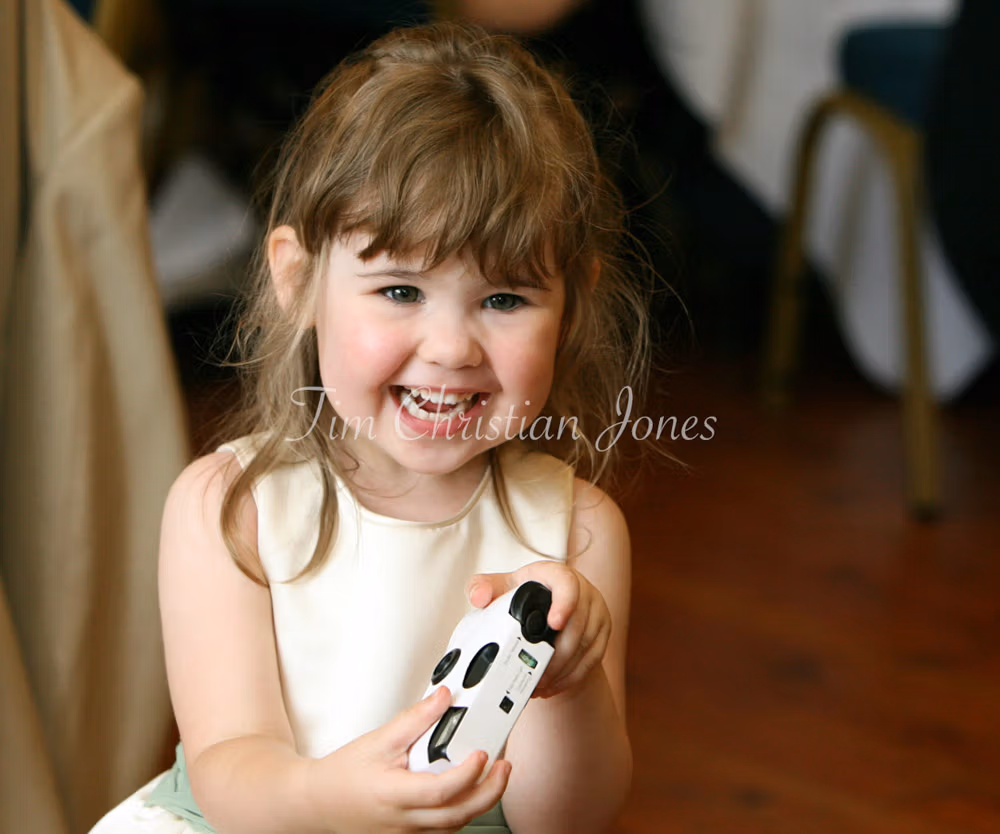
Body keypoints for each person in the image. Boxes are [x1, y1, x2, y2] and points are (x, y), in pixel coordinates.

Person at [90, 20, 655, 834]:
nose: (452, 348)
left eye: (505, 300)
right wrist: (342, 802)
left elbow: (566, 820)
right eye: (400, 291)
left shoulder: (577, 533)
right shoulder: (235, 507)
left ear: (571, 309)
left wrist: (569, 688)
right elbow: (231, 767)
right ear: (298, 278)